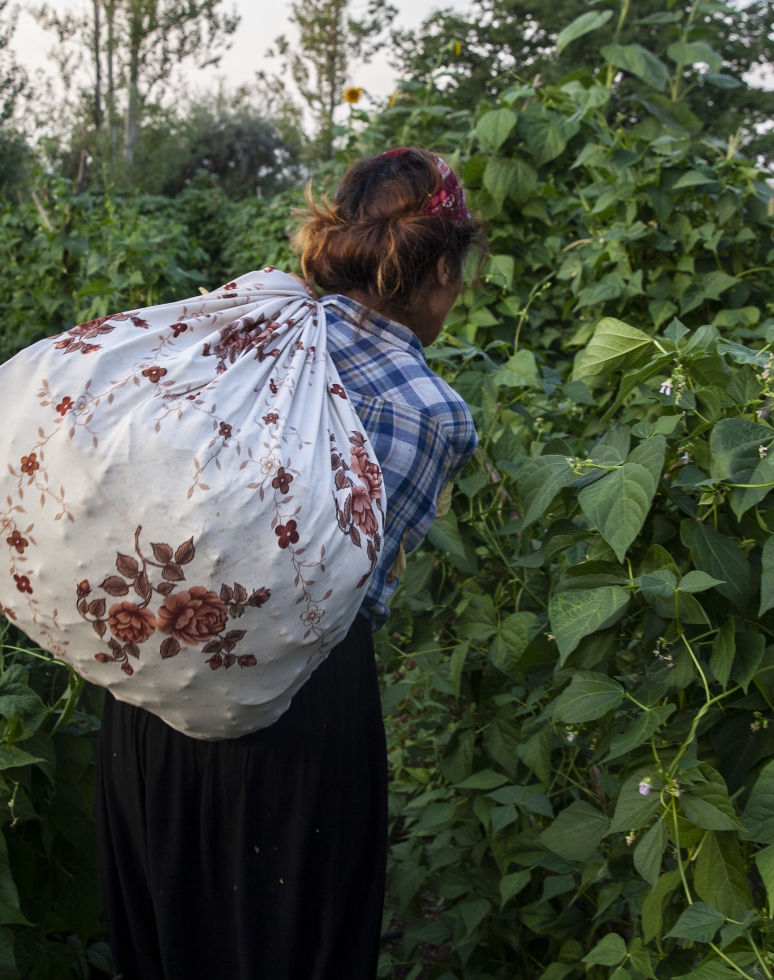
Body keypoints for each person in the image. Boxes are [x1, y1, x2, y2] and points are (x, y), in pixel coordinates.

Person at [93, 147, 484, 979]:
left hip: (149, 689)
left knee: (166, 945)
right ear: (442, 265)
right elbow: (356, 597)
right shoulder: (431, 412)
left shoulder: (242, 318)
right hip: (297, 723)